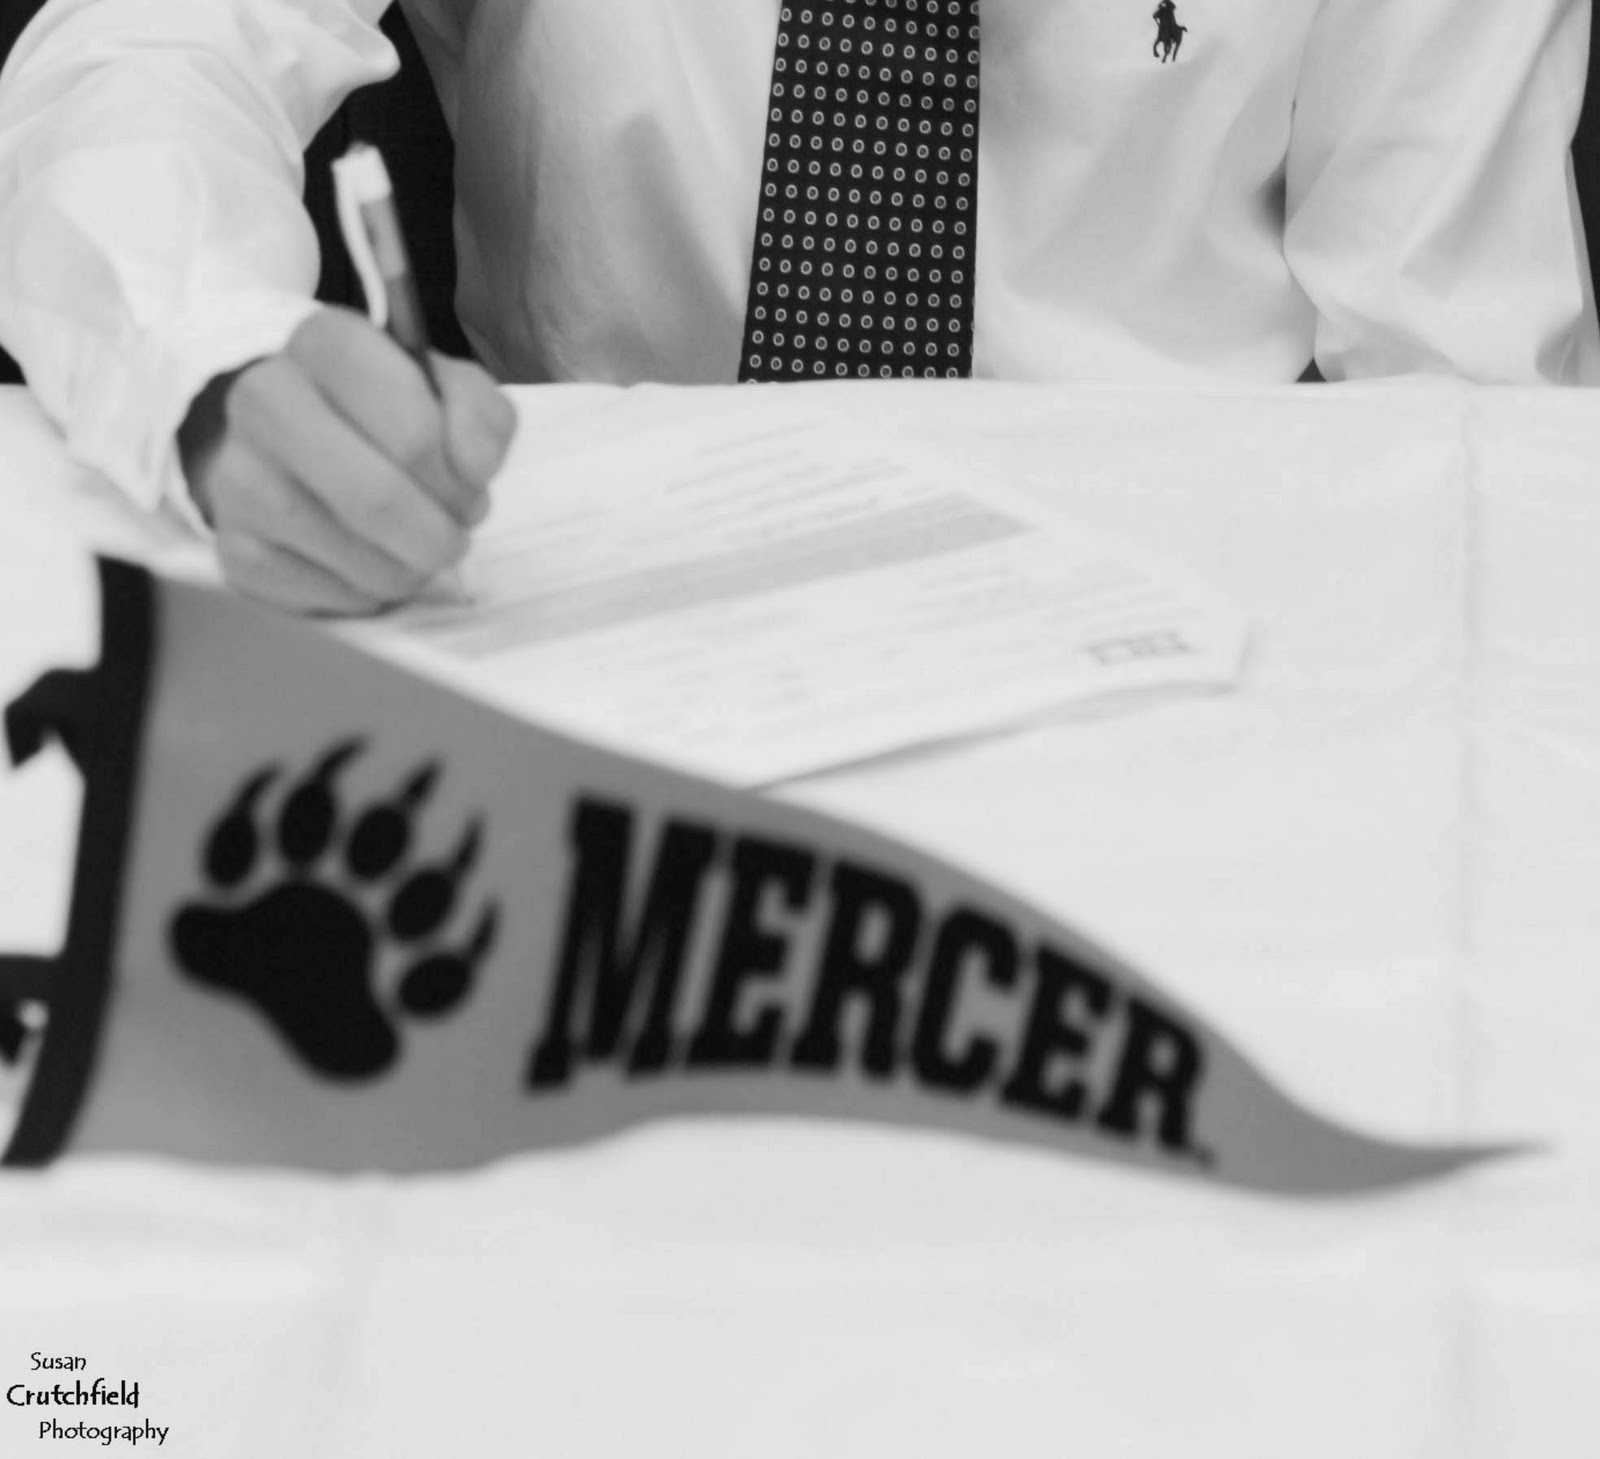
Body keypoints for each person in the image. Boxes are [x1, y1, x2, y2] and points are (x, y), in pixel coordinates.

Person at [0, 0, 1595, 615]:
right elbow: (148, 45)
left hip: (1189, 600)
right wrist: (208, 362)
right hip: (563, 573)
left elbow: (1460, 408)